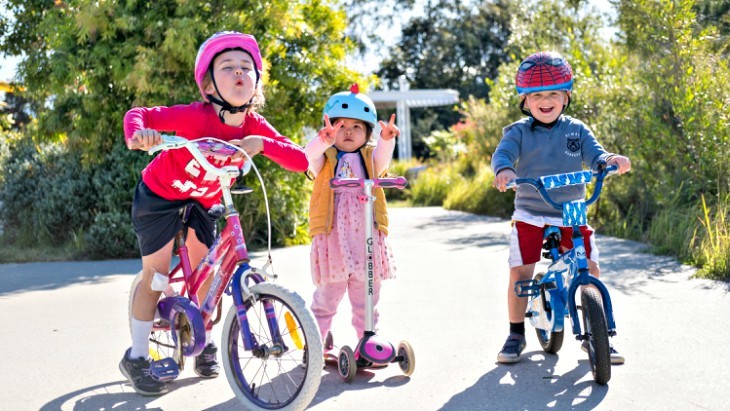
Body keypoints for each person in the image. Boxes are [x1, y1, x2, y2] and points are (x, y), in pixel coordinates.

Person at [121, 31, 308, 396]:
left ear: (255, 82)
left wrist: (264, 144)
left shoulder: (254, 125)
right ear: (208, 85)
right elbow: (138, 114)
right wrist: (138, 135)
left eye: (246, 67)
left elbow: (300, 159)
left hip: (203, 202)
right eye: (227, 67)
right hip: (160, 196)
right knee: (157, 276)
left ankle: (203, 340)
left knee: (209, 277)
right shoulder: (194, 116)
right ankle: (137, 356)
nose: (239, 72)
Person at [491, 51, 631, 365]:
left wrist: (609, 161)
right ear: (525, 101)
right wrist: (504, 171)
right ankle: (515, 333)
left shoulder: (576, 130)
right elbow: (503, 155)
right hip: (530, 209)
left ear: (566, 97)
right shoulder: (519, 132)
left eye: (553, 93)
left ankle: (601, 334)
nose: (545, 100)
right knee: (520, 270)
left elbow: (596, 154)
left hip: (571, 210)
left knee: (589, 266)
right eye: (536, 94)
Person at [305, 84, 400, 358]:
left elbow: (382, 161)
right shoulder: (325, 158)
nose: (348, 132)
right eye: (341, 126)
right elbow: (306, 157)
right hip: (333, 238)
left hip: (365, 241)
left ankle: (366, 343)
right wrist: (322, 140)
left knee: (367, 295)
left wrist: (387, 139)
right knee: (327, 297)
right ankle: (314, 344)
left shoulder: (369, 158)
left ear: (368, 133)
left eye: (357, 127)